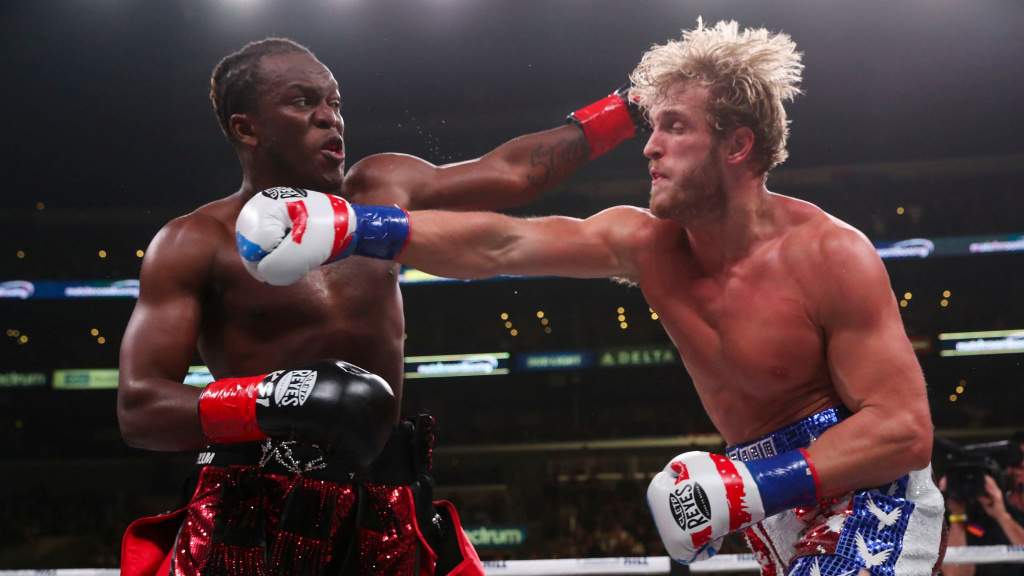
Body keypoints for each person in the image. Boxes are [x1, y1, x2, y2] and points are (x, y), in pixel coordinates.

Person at [240, 20, 947, 576]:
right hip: (771, 495)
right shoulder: (646, 243)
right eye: (653, 125)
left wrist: (749, 485)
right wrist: (355, 227)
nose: (650, 147)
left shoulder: (829, 254)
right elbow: (503, 245)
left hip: (868, 489)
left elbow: (904, 430)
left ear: (736, 146)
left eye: (675, 127)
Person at [116, 37, 647, 576]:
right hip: (251, 508)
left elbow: (512, 174)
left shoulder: (380, 188)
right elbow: (140, 408)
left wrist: (629, 110)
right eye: (303, 102)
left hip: (387, 498)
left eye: (334, 102)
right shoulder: (195, 241)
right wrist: (272, 400)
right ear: (246, 128)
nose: (329, 118)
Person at [943, 432, 1024, 576]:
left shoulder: (1011, 516)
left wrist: (1002, 517)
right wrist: (957, 515)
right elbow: (955, 574)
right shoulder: (970, 520)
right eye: (1017, 464)